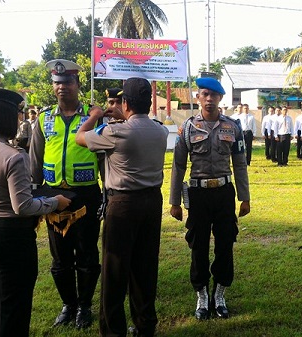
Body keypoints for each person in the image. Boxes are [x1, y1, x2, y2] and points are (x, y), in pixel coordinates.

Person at [0, 88, 71, 337]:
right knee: (14, 305)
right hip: (11, 237)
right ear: (7, 118)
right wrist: (55, 203)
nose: (20, 120)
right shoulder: (13, 156)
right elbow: (23, 206)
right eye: (17, 115)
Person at [76, 77, 169, 337]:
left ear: (125, 103)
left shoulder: (115, 132)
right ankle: (145, 325)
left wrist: (95, 115)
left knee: (115, 271)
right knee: (145, 267)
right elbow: (139, 126)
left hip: (123, 205)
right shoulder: (160, 131)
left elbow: (80, 138)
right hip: (151, 202)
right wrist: (124, 117)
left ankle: (113, 331)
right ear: (149, 104)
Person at [170, 77, 250, 320]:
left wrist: (244, 198)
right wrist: (174, 201)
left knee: (225, 244)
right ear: (198, 98)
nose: (208, 99)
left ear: (220, 98)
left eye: (213, 95)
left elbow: (240, 164)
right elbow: (178, 165)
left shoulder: (233, 127)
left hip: (225, 193)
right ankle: (202, 295)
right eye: (204, 94)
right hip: (198, 193)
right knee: (199, 246)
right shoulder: (187, 128)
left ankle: (220, 294)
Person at [29, 59, 102, 329]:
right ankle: (68, 304)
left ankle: (84, 306)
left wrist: (107, 191)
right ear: (52, 85)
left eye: (67, 82)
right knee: (59, 256)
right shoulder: (44, 117)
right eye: (57, 83)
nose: (62, 87)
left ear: (77, 85)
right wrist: (34, 192)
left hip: (86, 195)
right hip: (51, 195)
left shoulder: (92, 117)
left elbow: (104, 157)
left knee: (86, 252)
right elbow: (35, 158)